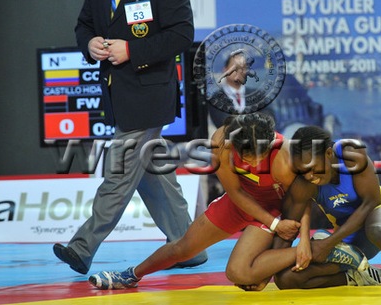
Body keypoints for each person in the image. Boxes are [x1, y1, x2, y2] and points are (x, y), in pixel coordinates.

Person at [53, 0, 207, 274]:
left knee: (119, 172)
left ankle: (82, 247)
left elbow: (182, 35)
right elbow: (84, 25)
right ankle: (188, 246)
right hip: (117, 94)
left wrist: (132, 50)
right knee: (153, 173)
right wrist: (89, 44)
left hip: (149, 95)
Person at [87, 113, 303, 289]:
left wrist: (278, 227)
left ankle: (315, 248)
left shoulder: (284, 155)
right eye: (247, 157)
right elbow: (235, 192)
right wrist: (275, 226)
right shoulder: (220, 142)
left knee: (241, 273)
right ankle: (131, 275)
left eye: (259, 157)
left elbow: (297, 204)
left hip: (275, 207)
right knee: (184, 248)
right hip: (241, 200)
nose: (254, 163)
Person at [272, 126, 381, 295]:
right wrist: (268, 267)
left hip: (380, 213)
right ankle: (360, 276)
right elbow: (289, 228)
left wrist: (328, 243)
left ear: (329, 153)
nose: (309, 176)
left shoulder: (350, 154)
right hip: (349, 239)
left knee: (376, 228)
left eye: (312, 168)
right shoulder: (304, 184)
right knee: (287, 279)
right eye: (303, 171)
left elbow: (372, 201)